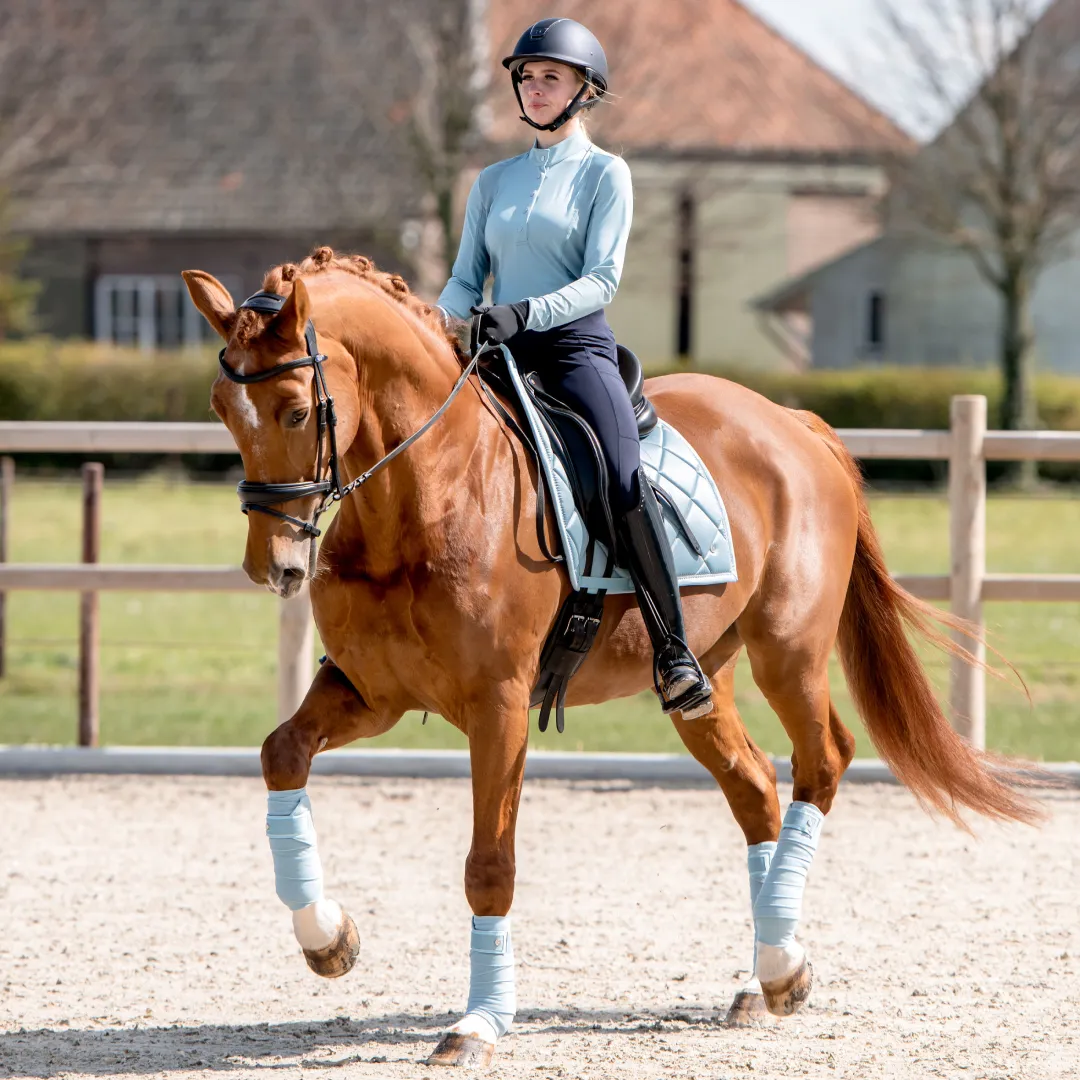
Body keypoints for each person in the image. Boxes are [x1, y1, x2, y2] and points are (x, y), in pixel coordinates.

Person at [435, 17, 713, 721]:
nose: (533, 87)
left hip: (573, 351)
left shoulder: (604, 174)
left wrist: (523, 314)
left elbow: (601, 280)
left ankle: (674, 649)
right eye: (526, 77)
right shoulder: (494, 181)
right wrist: (443, 324)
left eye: (549, 77)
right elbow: (466, 279)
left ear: (585, 91)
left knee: (621, 477)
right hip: (495, 351)